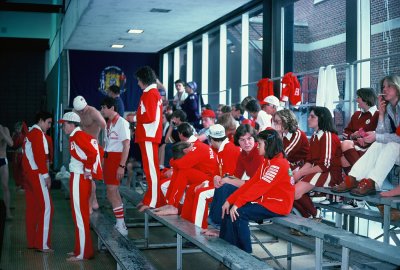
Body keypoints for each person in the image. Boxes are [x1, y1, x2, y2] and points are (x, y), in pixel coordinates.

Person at [219, 129, 294, 253]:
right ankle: (227, 252)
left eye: (259, 143)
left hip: (278, 205)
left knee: (239, 213)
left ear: (268, 145)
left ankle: (245, 255)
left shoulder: (279, 164)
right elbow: (251, 183)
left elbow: (259, 187)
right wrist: (230, 200)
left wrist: (238, 203)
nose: (257, 146)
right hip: (267, 202)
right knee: (229, 210)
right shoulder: (267, 161)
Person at [332, 75, 400, 197]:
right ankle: (353, 178)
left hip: (394, 148)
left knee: (392, 145)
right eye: (383, 87)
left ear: (397, 87)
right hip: (387, 149)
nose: (385, 89)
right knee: (379, 143)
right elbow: (383, 133)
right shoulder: (390, 108)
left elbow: (394, 137)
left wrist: (376, 136)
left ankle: (373, 183)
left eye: (389, 86)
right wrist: (382, 114)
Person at [206, 124, 264, 235]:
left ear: (254, 138)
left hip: (261, 192)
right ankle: (216, 223)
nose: (246, 143)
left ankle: (217, 224)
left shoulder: (259, 153)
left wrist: (228, 180)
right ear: (238, 141)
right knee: (223, 184)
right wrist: (219, 178)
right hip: (253, 189)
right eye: (242, 140)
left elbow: (257, 184)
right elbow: (235, 176)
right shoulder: (243, 154)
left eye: (249, 139)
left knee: (226, 186)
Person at [59, 112, 102, 261]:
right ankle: (79, 249)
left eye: (64, 125)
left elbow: (92, 153)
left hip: (79, 178)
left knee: (80, 216)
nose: (63, 127)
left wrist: (88, 170)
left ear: (72, 125)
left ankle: (84, 252)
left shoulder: (78, 136)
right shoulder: (76, 136)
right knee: (78, 215)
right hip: (77, 177)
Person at [180, 124, 240, 229]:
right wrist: (207, 183)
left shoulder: (229, 150)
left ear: (211, 139)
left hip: (231, 188)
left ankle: (196, 232)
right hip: (223, 184)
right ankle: (187, 226)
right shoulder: (222, 149)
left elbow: (229, 178)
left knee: (201, 194)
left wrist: (211, 183)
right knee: (192, 189)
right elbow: (217, 174)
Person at [292, 106, 342, 218]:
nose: (308, 118)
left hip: (330, 173)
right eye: (309, 116)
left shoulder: (328, 136)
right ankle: (309, 217)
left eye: (312, 116)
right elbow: (309, 161)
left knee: (294, 192)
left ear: (322, 119)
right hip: (317, 171)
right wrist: (298, 173)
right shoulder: (315, 136)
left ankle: (316, 214)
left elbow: (325, 165)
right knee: (288, 191)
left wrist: (300, 173)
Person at [22, 111, 54, 252]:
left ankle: (32, 241)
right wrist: (46, 176)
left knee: (32, 209)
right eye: (48, 122)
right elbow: (40, 157)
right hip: (36, 174)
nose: (49, 126)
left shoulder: (29, 134)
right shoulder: (37, 134)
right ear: (40, 121)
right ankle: (42, 244)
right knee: (47, 208)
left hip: (28, 175)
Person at [135, 66, 163, 212]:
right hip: (147, 135)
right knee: (149, 169)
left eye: (139, 80)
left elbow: (151, 117)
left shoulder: (150, 94)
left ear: (144, 80)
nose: (138, 83)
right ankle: (151, 197)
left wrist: (136, 117)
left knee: (151, 170)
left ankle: (153, 201)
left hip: (148, 135)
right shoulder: (151, 93)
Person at [100, 97, 130, 236]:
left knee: (112, 190)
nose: (102, 110)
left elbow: (126, 145)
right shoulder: (109, 123)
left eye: (104, 107)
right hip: (109, 157)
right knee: (111, 191)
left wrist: (121, 165)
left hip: (116, 158)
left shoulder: (122, 123)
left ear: (112, 108)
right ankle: (120, 222)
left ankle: (121, 224)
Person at [273, 109, 310, 217]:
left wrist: (278, 134)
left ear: (286, 121)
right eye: (275, 121)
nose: (276, 124)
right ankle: (304, 215)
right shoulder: (284, 135)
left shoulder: (297, 133)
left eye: (278, 121)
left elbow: (284, 154)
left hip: (303, 166)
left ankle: (311, 213)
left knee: (285, 186)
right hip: (291, 166)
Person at [73, 95, 106, 213]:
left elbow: (105, 126)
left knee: (90, 177)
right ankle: (92, 201)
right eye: (79, 111)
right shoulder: (75, 112)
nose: (81, 112)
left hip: (92, 147)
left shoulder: (93, 112)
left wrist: (104, 146)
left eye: (83, 110)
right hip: (81, 147)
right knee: (84, 177)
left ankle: (92, 204)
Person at [340, 88, 379, 174]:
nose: (356, 99)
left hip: (369, 147)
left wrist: (362, 136)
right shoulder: (356, 114)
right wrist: (353, 136)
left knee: (345, 144)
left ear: (366, 98)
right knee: (343, 158)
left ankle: (361, 175)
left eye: (358, 97)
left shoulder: (378, 114)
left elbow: (380, 133)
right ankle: (354, 182)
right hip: (354, 146)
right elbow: (346, 132)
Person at [0, 124, 13, 219]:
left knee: (5, 186)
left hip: (2, 160)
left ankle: (7, 211)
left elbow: (11, 143)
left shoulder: (4, 129)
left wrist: (1, 132)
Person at [12, 121, 28, 191]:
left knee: (22, 170)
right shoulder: (15, 135)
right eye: (16, 128)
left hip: (23, 154)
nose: (17, 130)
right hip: (16, 154)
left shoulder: (25, 135)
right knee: (16, 170)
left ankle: (23, 186)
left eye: (19, 128)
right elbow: (12, 145)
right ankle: (18, 184)